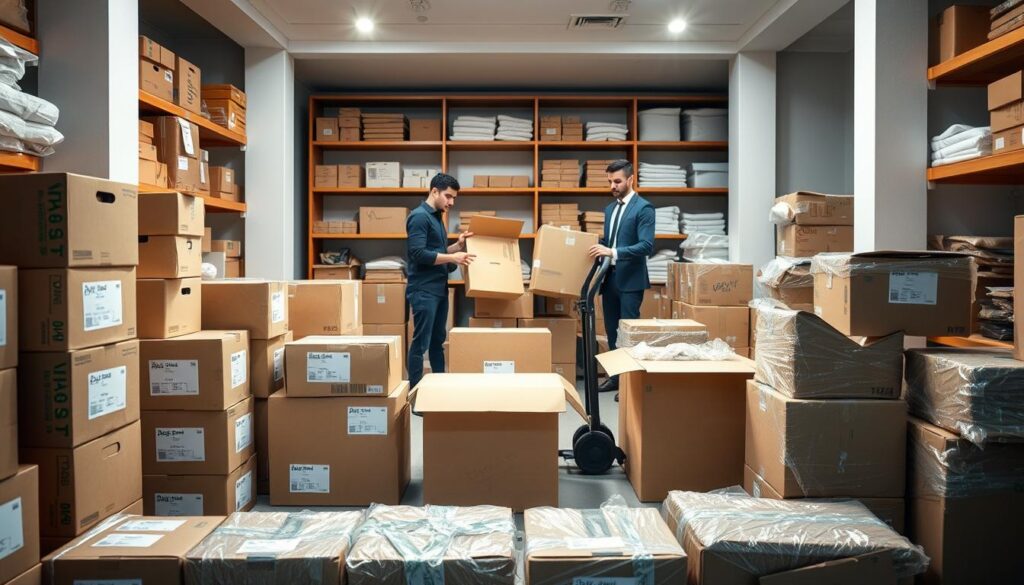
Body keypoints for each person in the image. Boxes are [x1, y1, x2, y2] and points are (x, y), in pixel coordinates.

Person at [588, 159, 655, 395]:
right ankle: (616, 378)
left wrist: (613, 252)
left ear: (630, 179)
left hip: (630, 281)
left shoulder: (643, 208)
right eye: (610, 182)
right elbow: (609, 242)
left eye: (617, 181)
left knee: (628, 333)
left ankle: (630, 383)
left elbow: (646, 246)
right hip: (610, 279)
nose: (613, 186)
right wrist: (593, 248)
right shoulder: (610, 209)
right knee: (611, 332)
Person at [406, 173, 474, 389]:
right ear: (434, 191)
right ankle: (415, 394)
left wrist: (457, 246)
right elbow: (417, 253)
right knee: (421, 343)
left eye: (454, 198)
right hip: (424, 291)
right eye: (448, 196)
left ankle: (439, 390)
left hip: (438, 290)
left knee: (437, 343)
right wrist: (452, 258)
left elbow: (437, 252)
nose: (451, 202)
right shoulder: (419, 217)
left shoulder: (436, 216)